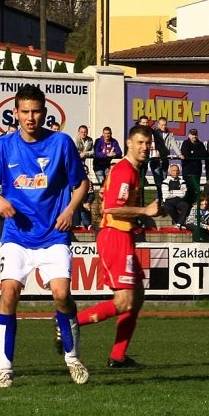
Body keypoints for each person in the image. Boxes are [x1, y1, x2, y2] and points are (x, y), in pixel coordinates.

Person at [0, 84, 90, 388]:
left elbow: (82, 184)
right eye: (25, 112)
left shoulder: (61, 143)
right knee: (8, 294)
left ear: (45, 113)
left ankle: (72, 357)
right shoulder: (4, 146)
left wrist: (70, 210)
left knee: (61, 295)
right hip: (17, 235)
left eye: (36, 112)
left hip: (54, 234)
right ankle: (5, 370)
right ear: (15, 113)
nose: (30, 118)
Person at [69, 124, 161, 368]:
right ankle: (69, 322)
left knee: (137, 297)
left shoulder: (131, 171)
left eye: (148, 143)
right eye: (140, 142)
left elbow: (108, 200)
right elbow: (111, 208)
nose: (144, 147)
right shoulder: (125, 171)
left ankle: (118, 356)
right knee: (124, 301)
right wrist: (145, 210)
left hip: (124, 235)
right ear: (129, 143)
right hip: (115, 236)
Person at [150, 117, 183, 201]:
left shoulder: (169, 134)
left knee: (164, 181)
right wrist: (155, 152)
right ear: (158, 124)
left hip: (165, 160)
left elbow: (174, 144)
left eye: (165, 125)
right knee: (158, 182)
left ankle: (163, 200)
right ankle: (158, 200)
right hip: (155, 160)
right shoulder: (153, 133)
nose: (163, 126)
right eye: (162, 125)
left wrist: (179, 154)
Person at [180, 128, 208, 202]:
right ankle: (187, 204)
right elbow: (186, 154)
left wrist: (193, 152)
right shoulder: (185, 143)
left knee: (196, 189)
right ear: (189, 135)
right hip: (187, 171)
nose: (194, 136)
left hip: (197, 171)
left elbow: (204, 154)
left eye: (195, 135)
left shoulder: (200, 144)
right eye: (192, 135)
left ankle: (195, 204)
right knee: (188, 189)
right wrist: (196, 154)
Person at [161, 164, 191, 229]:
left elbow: (183, 194)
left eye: (177, 171)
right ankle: (180, 224)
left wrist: (171, 192)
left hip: (179, 201)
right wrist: (178, 192)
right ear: (170, 172)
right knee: (168, 208)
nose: (176, 172)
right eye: (174, 170)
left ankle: (178, 224)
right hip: (169, 202)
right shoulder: (165, 182)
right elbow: (165, 195)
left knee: (186, 205)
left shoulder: (182, 181)